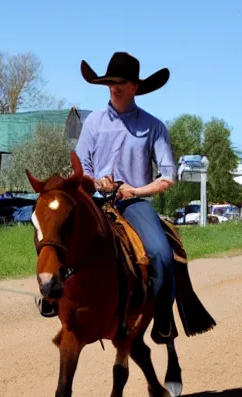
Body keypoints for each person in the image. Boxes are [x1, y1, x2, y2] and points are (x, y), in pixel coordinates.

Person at [75, 51, 177, 343]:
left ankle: (164, 317)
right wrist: (96, 181)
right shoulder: (93, 122)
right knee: (55, 234)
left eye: (121, 82)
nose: (114, 87)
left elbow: (168, 176)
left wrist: (134, 189)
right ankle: (52, 297)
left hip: (133, 202)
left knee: (160, 252)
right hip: (95, 200)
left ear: (135, 86)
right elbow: (81, 168)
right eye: (110, 82)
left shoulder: (154, 126)